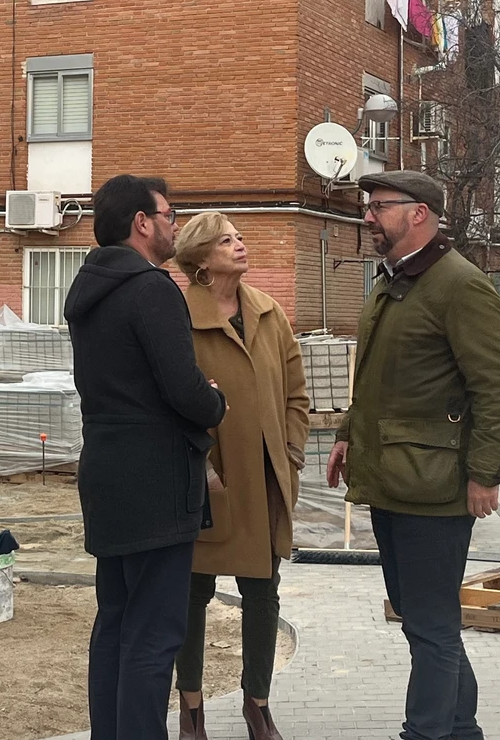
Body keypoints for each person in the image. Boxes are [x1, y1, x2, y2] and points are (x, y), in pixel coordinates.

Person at [326, 171, 500, 740]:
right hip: (391, 477)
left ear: (420, 214)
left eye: (379, 206)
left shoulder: (457, 284)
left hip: (435, 487)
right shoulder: (392, 281)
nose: (368, 216)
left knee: (432, 627)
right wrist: (348, 431)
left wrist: (486, 473)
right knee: (422, 621)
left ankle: (426, 733)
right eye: (369, 206)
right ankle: (460, 730)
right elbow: (378, 378)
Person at [65, 174, 227, 740]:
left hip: (106, 475)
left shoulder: (89, 289)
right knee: (154, 635)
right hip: (157, 483)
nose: (175, 225)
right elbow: (183, 391)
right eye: (169, 214)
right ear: (142, 221)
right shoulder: (152, 288)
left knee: (114, 623)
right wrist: (214, 400)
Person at [170, 212, 310, 740]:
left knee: (263, 594)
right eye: (226, 240)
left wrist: (291, 451)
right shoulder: (178, 315)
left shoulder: (269, 312)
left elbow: (297, 394)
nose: (240, 245)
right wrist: (200, 465)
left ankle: (258, 706)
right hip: (208, 481)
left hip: (266, 480)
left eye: (239, 237)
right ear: (201, 259)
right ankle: (192, 711)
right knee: (192, 595)